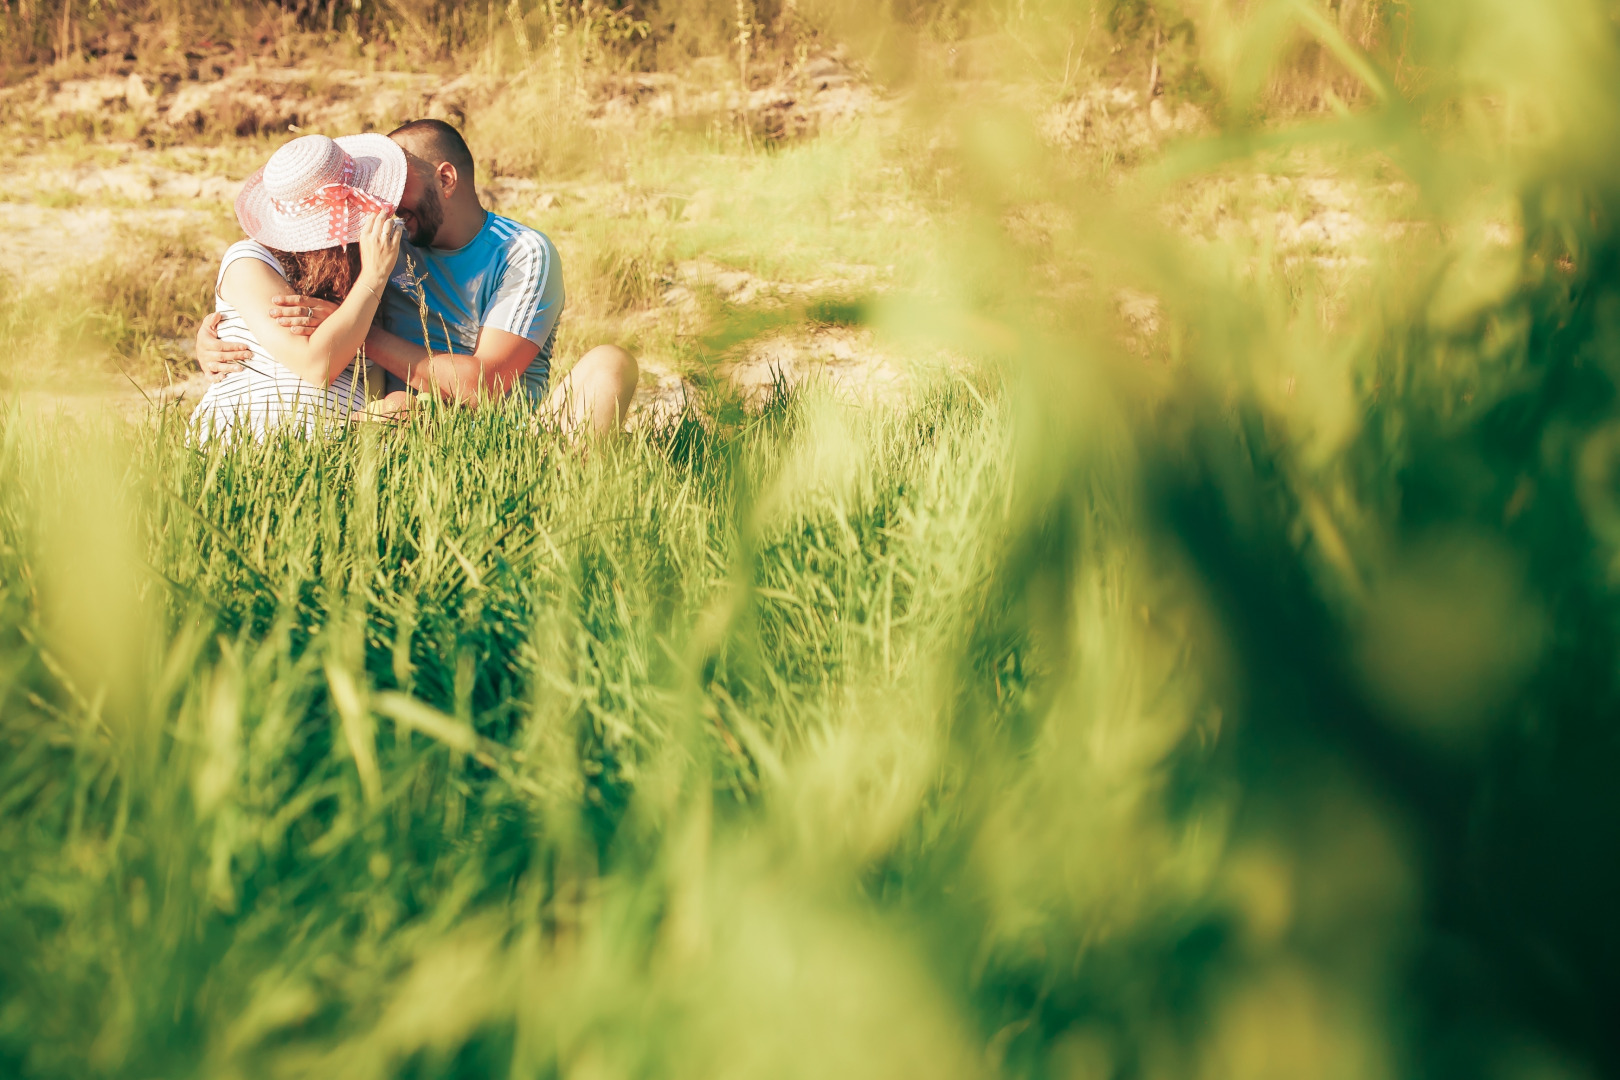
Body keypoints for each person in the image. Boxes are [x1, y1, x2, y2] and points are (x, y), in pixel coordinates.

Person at [195, 119, 639, 436]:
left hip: (505, 433)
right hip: (402, 426)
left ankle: (560, 487)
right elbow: (296, 289)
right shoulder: (381, 242)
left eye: (395, 182)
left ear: (445, 179)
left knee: (609, 365)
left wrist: (362, 333)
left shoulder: (518, 252)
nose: (380, 200)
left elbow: (484, 388)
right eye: (375, 186)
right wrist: (223, 328)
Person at [189, 131, 408, 442]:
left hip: (342, 445)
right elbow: (316, 366)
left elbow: (376, 381)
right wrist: (372, 279)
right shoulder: (249, 262)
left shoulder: (373, 256)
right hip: (252, 442)